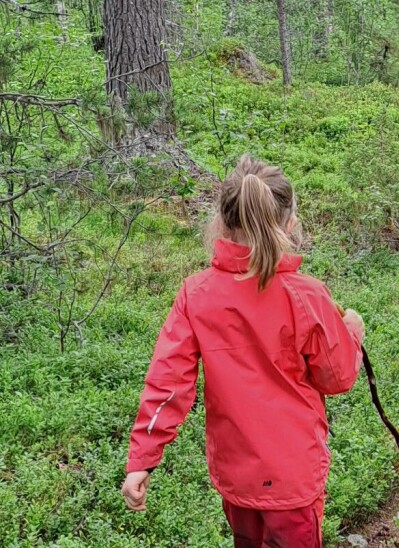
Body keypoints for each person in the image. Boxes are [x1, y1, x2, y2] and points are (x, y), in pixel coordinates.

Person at [121, 155, 365, 547]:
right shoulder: (307, 294)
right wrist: (351, 332)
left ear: (222, 223)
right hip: (293, 475)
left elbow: (167, 382)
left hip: (237, 475)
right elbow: (337, 378)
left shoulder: (196, 294)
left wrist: (142, 460)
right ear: (289, 223)